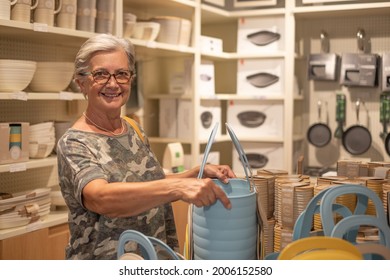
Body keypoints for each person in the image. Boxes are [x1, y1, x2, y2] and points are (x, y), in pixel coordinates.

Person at [56, 33, 235, 260]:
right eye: (101, 74)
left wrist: (194, 174)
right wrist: (178, 189)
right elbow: (100, 197)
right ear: (81, 82)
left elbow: (148, 185)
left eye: (121, 74)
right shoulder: (75, 143)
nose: (113, 83)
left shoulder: (133, 128)